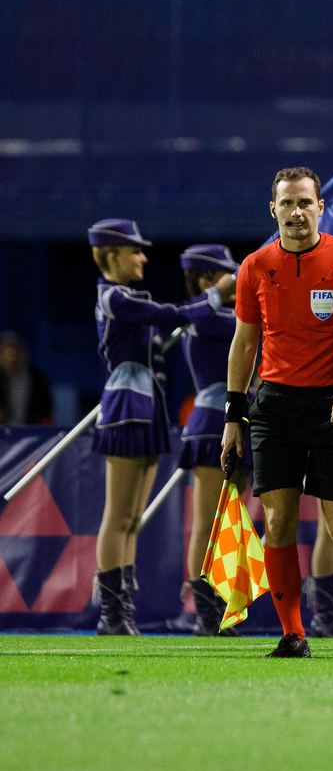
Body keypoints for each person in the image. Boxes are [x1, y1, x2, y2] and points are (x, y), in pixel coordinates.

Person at [218, 169, 333, 658]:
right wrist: (234, 414)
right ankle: (293, 634)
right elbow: (245, 342)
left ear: (321, 206)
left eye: (305, 203)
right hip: (276, 407)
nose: (296, 212)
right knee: (277, 523)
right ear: (274, 210)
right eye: (287, 204)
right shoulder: (254, 267)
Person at [87, 219, 235, 636]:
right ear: (111, 255)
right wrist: (214, 296)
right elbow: (171, 313)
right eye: (135, 250)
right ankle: (112, 614)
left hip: (147, 407)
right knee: (118, 515)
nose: (143, 257)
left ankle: (122, 612)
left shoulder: (127, 296)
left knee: (133, 517)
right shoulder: (114, 297)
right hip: (126, 408)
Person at [174, 244, 245, 637]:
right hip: (211, 424)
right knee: (208, 519)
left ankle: (220, 607)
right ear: (206, 280)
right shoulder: (205, 316)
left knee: (230, 521)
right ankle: (205, 611)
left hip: (239, 420)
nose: (237, 280)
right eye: (228, 275)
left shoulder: (220, 315)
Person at [0, 331, 52, 425]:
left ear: (21, 353)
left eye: (14, 353)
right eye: (7, 354)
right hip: (4, 431)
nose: (11, 358)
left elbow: (45, 407)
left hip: (30, 430)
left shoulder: (36, 378)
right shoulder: (0, 379)